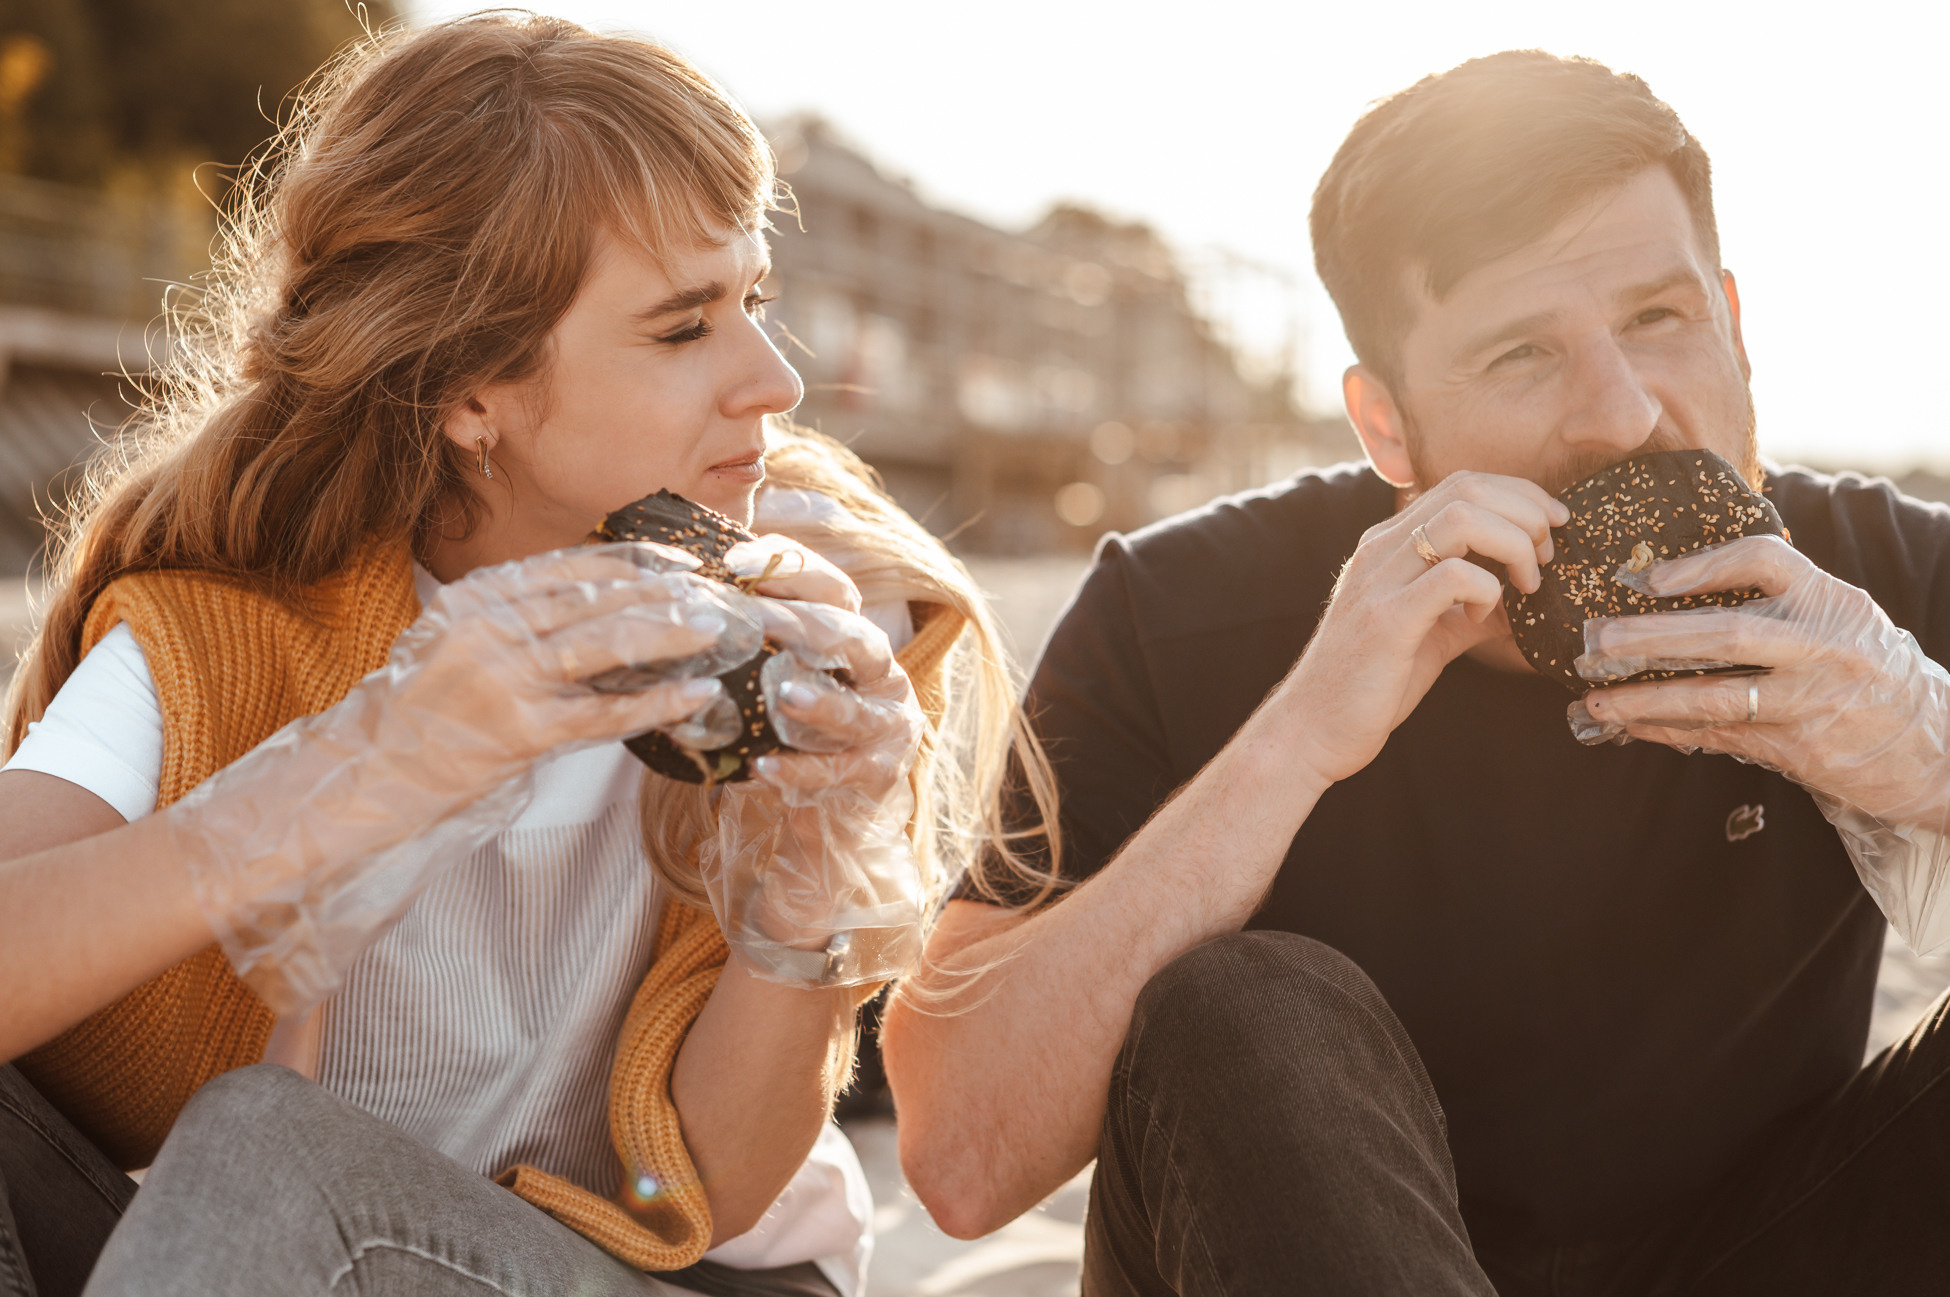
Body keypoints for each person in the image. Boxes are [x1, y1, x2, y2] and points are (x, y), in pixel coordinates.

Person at [0, 15, 1050, 1297]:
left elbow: (705, 1194)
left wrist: (803, 891)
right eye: (683, 328)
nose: (774, 379)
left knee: (265, 1146)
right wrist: (347, 771)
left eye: (754, 301)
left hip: (683, 1275)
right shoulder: (218, 634)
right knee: (255, 1145)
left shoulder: (810, 625)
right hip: (307, 1251)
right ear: (468, 390)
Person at [883, 50, 1950, 1297]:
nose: (1624, 413)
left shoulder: (1878, 590)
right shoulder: (1183, 611)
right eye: (1521, 356)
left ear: (1733, 321)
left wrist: (1930, 752)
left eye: (1659, 320)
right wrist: (1297, 739)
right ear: (1385, 423)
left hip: (1761, 1243)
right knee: (1239, 1005)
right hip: (1301, 1249)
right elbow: (959, 1154)